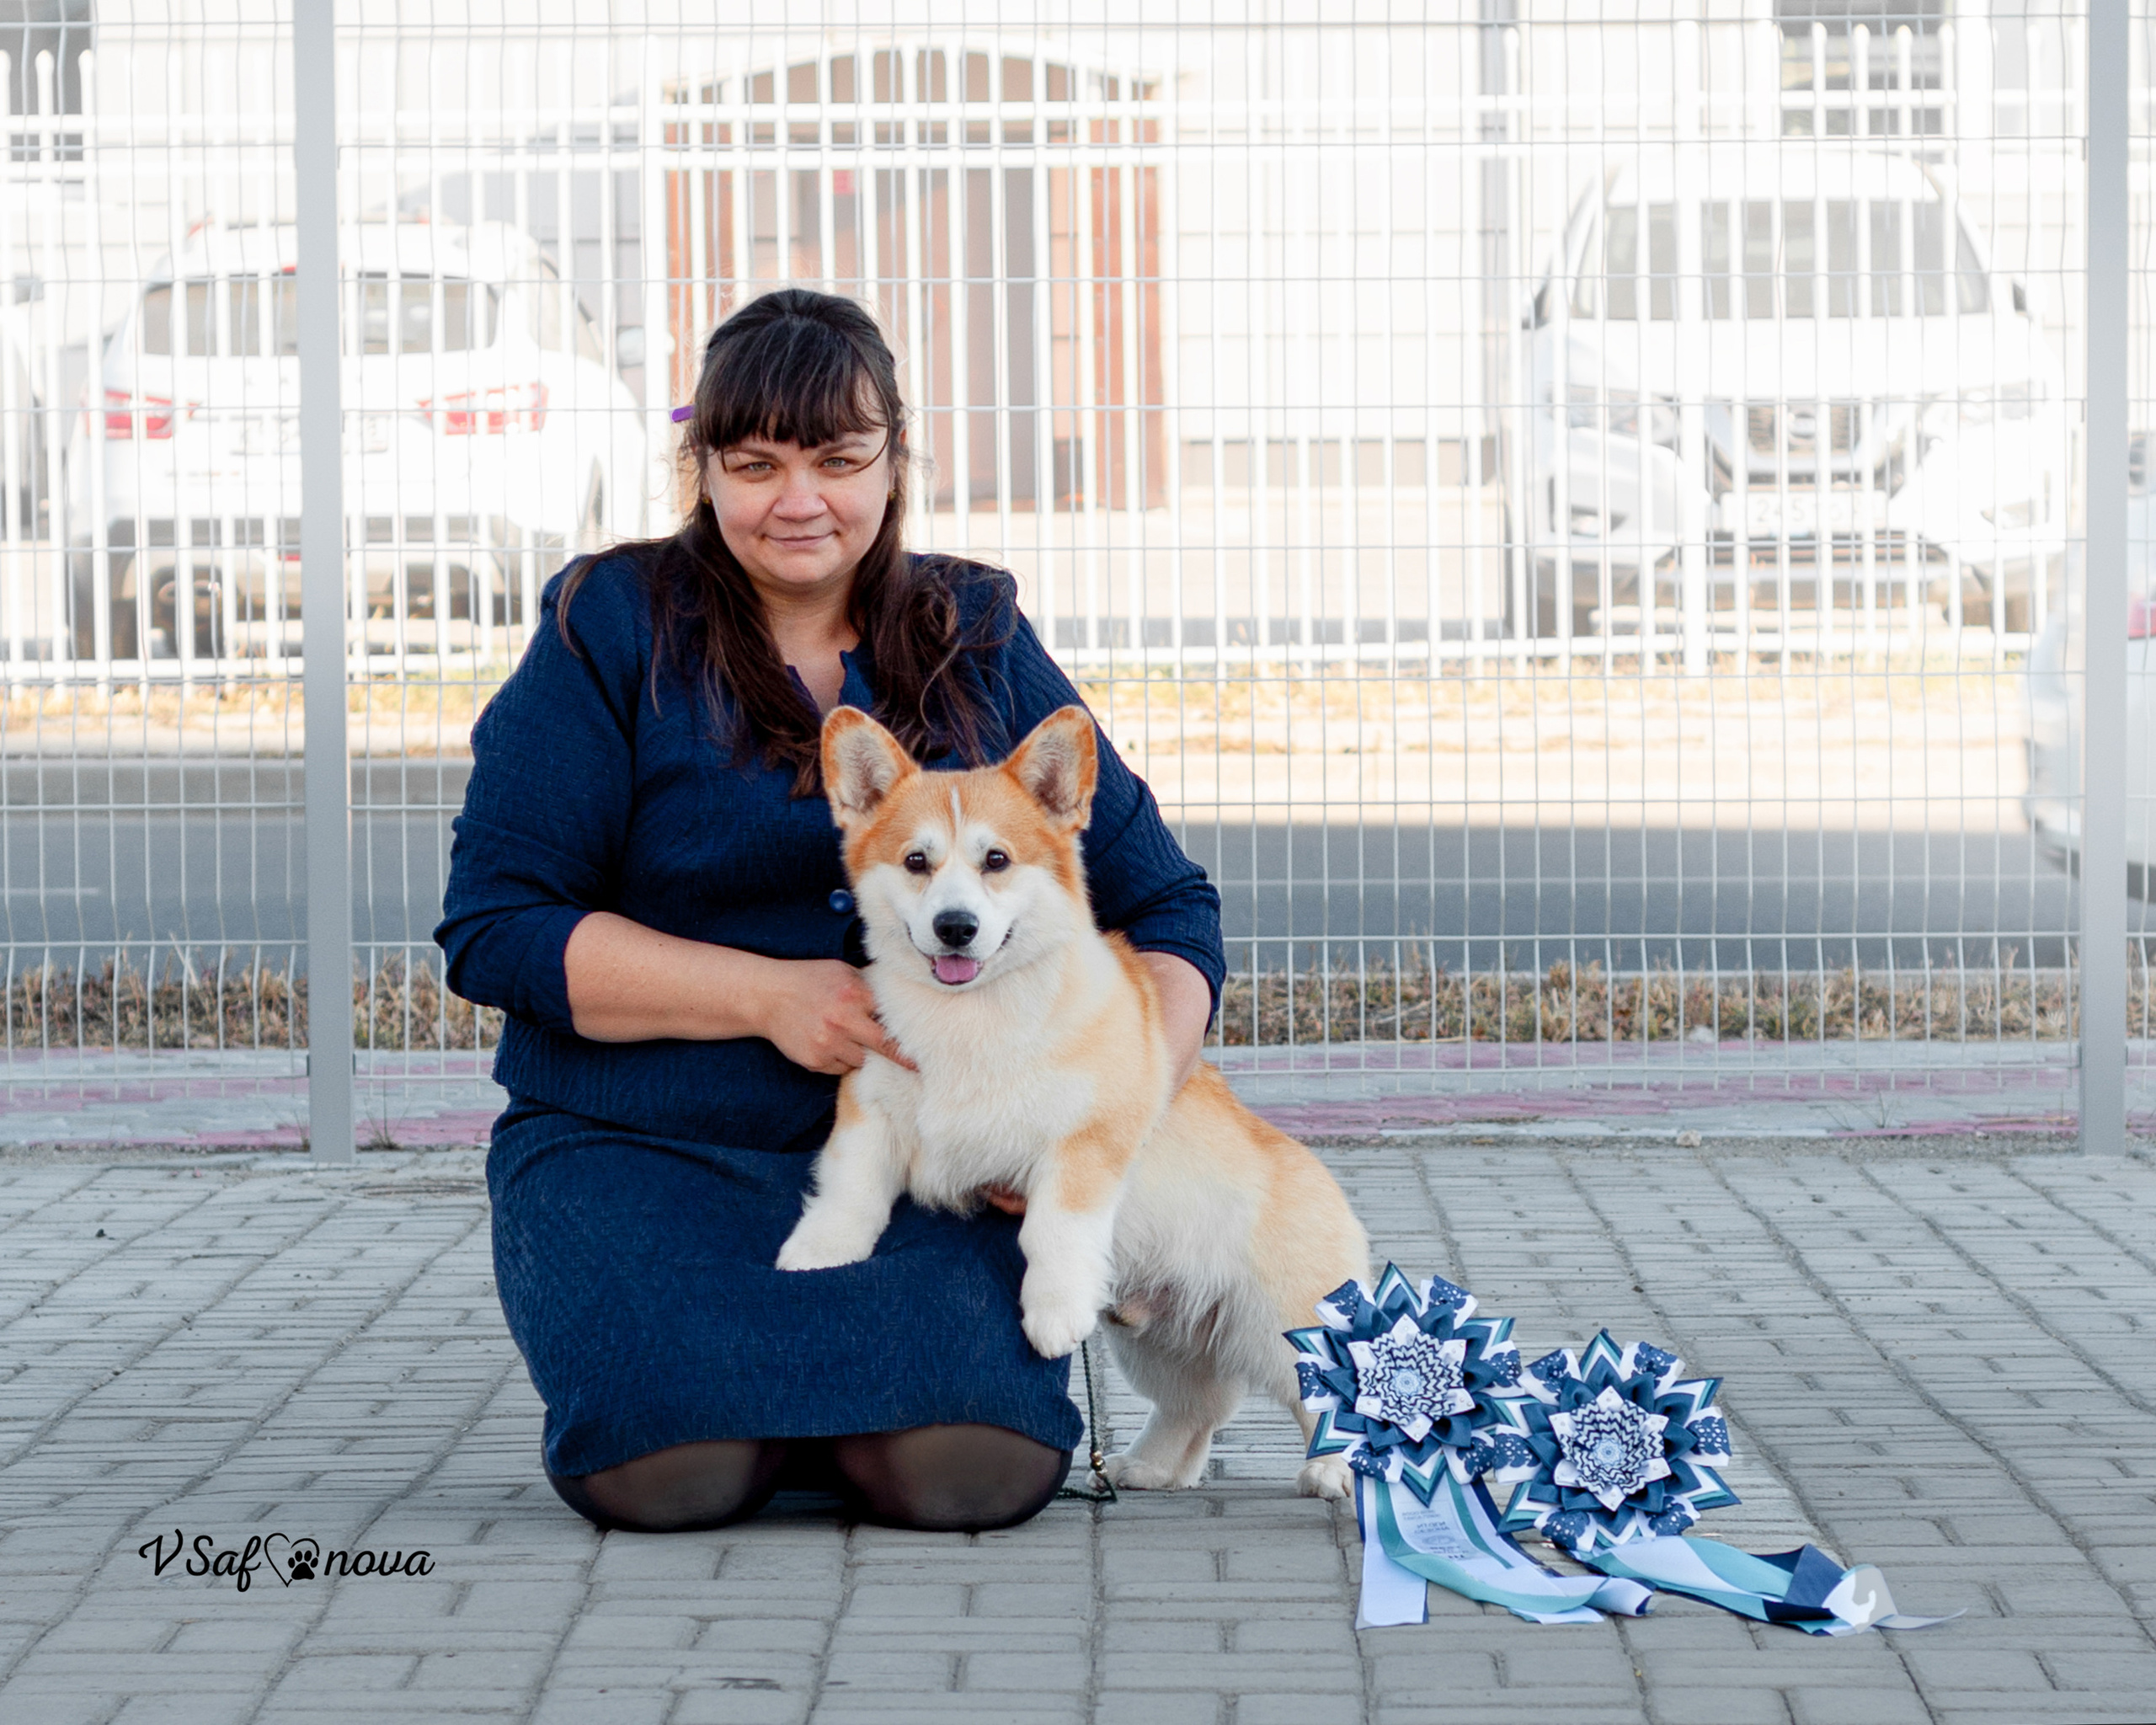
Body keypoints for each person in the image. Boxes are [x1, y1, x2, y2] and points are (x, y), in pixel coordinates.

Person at [435, 288, 1225, 1535]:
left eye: (839, 459)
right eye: (754, 464)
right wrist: (767, 995)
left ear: (895, 459)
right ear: (701, 469)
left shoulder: (972, 631)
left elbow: (1172, 912)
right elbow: (497, 927)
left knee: (969, 1477)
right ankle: (767, 1417)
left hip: (925, 1173)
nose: (799, 500)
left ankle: (820, 1416)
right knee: (668, 1480)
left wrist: (1115, 1121)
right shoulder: (608, 627)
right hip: (638, 1152)